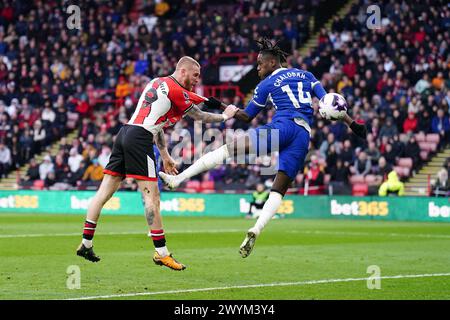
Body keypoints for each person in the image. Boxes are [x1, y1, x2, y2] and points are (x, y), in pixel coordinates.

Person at [159, 39, 367, 258]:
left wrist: (220, 105)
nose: (257, 68)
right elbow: (330, 103)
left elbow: (246, 116)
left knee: (230, 148)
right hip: (303, 136)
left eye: (259, 63)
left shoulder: (266, 84)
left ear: (271, 62)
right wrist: (352, 124)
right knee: (280, 187)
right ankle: (256, 229)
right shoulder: (307, 76)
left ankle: (178, 179)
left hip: (282, 127)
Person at [76, 56, 239, 271]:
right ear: (182, 71)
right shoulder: (177, 90)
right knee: (152, 198)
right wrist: (225, 117)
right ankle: (161, 253)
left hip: (125, 133)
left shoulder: (157, 82)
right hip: (140, 139)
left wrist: (164, 155)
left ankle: (86, 243)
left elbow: (158, 123)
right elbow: (199, 115)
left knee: (103, 192)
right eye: (195, 75)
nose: (197, 80)